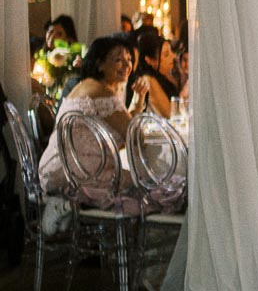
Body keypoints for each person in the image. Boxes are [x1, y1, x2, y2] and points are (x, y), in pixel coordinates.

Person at [38, 35, 182, 213]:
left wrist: (138, 101)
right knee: (164, 187)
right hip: (83, 177)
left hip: (59, 170)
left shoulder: (87, 86)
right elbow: (134, 137)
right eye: (118, 60)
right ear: (99, 64)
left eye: (129, 60)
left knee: (152, 182)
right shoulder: (101, 91)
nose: (127, 65)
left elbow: (123, 126)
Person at [128, 30, 180, 118]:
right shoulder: (148, 79)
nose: (173, 56)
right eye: (166, 54)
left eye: (171, 51)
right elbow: (170, 114)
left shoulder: (166, 75)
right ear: (149, 60)